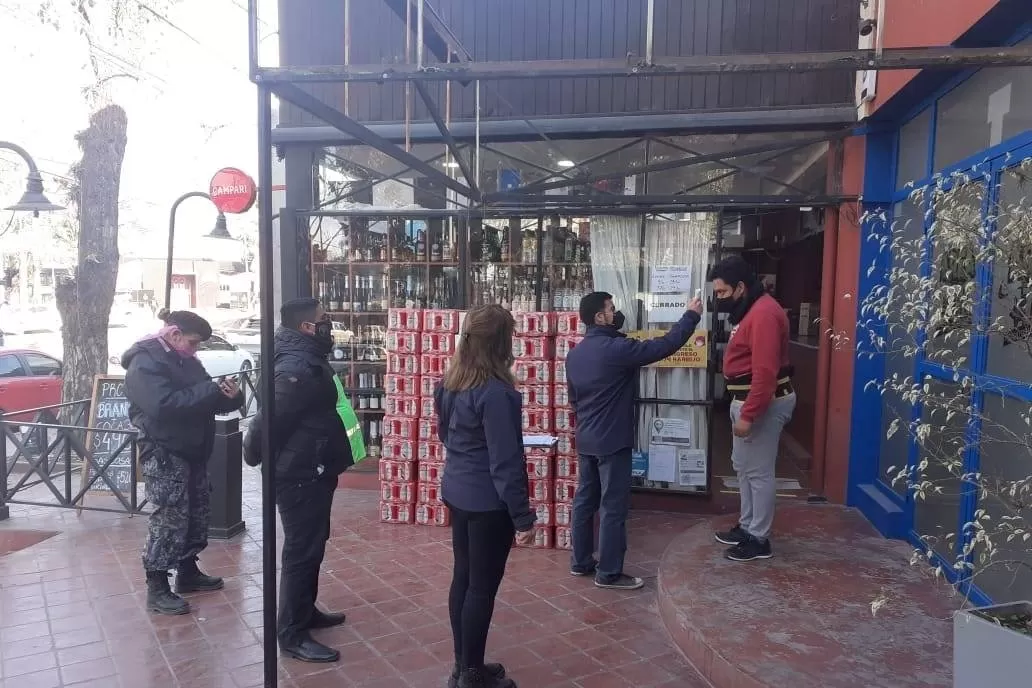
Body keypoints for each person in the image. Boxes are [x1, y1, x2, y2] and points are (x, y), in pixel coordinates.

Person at [243, 297, 362, 663]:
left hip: (313, 467)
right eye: (324, 320)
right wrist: (254, 454)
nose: (330, 325)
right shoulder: (296, 366)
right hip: (299, 474)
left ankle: (305, 611)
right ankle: (291, 632)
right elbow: (269, 421)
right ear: (307, 327)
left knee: (313, 543)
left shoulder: (308, 358)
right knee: (301, 550)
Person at [566, 292, 703, 590]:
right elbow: (663, 346)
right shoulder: (616, 349)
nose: (616, 313)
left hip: (587, 438)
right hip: (613, 440)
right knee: (613, 507)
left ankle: (580, 562)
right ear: (600, 317)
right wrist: (691, 315)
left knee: (584, 501)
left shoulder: (575, 354)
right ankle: (609, 573)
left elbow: (574, 400)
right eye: (612, 309)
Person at [434, 305, 535, 688]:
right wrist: (523, 517)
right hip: (488, 503)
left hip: (458, 491)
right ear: (501, 344)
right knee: (481, 587)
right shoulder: (497, 394)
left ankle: (464, 666)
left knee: (463, 578)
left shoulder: (450, 383)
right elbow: (507, 462)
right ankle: (472, 675)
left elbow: (447, 436)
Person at [122, 309, 244, 616]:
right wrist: (208, 390)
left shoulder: (186, 359)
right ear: (174, 335)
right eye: (193, 342)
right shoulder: (144, 362)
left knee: (195, 512)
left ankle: (188, 571)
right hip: (165, 452)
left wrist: (231, 397)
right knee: (168, 519)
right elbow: (163, 406)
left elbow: (205, 399)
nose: (196, 349)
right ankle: (157, 586)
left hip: (192, 449)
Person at [709, 256, 795, 562]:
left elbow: (765, 373)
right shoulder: (751, 309)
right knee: (743, 468)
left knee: (758, 473)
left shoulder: (763, 314)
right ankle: (747, 527)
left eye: (721, 292)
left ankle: (759, 539)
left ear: (740, 287)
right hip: (746, 400)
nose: (718, 299)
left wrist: (748, 415)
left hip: (761, 404)